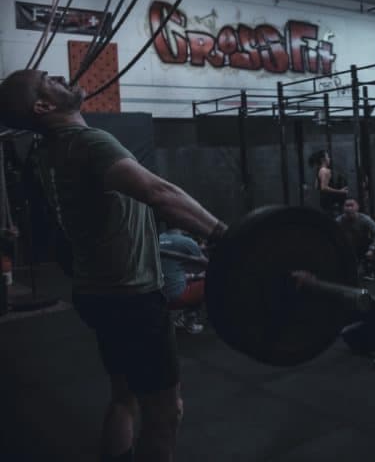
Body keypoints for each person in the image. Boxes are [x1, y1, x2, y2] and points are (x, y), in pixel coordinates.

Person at [0, 69, 228, 462]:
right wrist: (227, 236)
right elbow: (159, 193)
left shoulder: (45, 151)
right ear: (44, 106)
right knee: (166, 413)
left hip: (95, 293)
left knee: (124, 398)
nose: (58, 75)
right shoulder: (88, 142)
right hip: (133, 297)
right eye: (46, 79)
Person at [159, 230, 207, 335]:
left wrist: (194, 275)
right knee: (211, 282)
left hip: (156, 297)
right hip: (175, 298)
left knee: (191, 277)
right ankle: (188, 320)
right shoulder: (186, 242)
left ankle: (183, 318)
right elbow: (208, 266)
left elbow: (170, 273)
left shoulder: (156, 238)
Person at [336, 198, 375, 282]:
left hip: (363, 246)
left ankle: (370, 271)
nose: (349, 208)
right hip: (349, 247)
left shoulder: (364, 219)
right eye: (347, 206)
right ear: (343, 208)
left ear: (357, 207)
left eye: (351, 205)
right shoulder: (339, 220)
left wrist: (372, 248)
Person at [308, 150, 347, 216]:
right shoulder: (325, 171)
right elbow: (323, 188)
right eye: (328, 157)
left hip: (325, 201)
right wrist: (340, 191)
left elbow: (316, 186)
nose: (329, 159)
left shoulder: (319, 170)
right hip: (330, 202)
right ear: (323, 159)